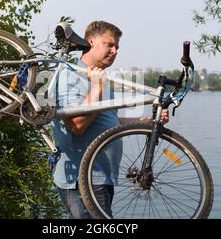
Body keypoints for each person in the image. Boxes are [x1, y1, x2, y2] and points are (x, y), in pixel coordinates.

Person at [51, 21, 169, 219]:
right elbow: (76, 126)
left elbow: (110, 120)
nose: (115, 51)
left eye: (117, 48)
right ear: (91, 41)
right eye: (109, 45)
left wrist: (149, 121)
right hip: (82, 180)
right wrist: (96, 87)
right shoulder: (71, 74)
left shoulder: (101, 79)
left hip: (100, 177)